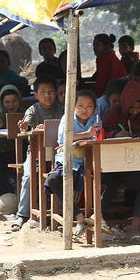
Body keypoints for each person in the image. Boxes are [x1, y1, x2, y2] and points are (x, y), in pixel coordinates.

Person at [102, 79, 140, 242]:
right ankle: (98, 219)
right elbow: (100, 132)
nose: (134, 111)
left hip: (139, 163)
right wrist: (114, 134)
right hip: (113, 165)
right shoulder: (114, 112)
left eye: (138, 108)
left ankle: (135, 226)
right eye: (131, 107)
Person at [11, 76, 64, 231]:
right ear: (36, 94)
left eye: (51, 92)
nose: (47, 95)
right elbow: (25, 124)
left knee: (65, 175)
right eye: (43, 92)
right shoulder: (33, 109)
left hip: (58, 153)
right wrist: (27, 126)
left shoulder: (61, 109)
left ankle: (62, 212)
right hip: (35, 153)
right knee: (28, 176)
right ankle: (22, 215)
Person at [45, 90, 101, 236]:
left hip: (89, 161)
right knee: (54, 179)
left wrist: (81, 138)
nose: (84, 110)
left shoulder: (96, 119)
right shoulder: (67, 118)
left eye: (89, 106)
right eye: (80, 105)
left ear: (94, 108)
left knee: (99, 179)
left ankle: (96, 215)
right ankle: (78, 215)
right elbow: (64, 139)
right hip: (67, 161)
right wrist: (86, 135)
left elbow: (99, 137)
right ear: (73, 106)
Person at [0, 84, 22, 197]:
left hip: (21, 149)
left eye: (14, 101)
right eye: (7, 102)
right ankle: (7, 194)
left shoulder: (25, 113)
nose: (11, 105)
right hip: (2, 149)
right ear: (2, 102)